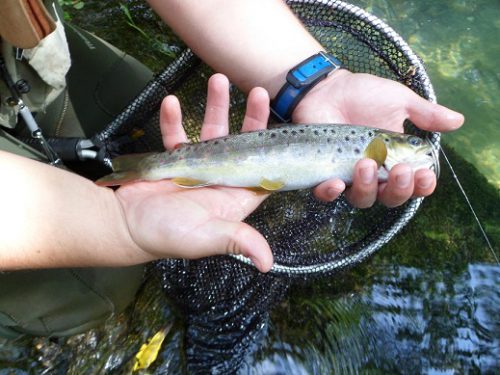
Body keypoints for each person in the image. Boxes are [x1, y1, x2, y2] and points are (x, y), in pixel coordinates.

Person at [0, 0, 464, 338]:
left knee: (137, 98)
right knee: (97, 290)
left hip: (18, 42)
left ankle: (122, 167)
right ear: (389, 147)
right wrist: (116, 226)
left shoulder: (375, 149)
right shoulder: (375, 149)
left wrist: (312, 82)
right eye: (411, 145)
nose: (419, 150)